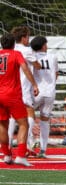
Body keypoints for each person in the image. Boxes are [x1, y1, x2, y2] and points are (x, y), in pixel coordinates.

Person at [0, 33, 39, 166]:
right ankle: (21, 155)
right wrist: (34, 84)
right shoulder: (16, 54)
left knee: (2, 124)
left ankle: (6, 155)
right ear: (13, 44)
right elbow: (25, 68)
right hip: (12, 94)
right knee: (24, 123)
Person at [8, 26, 41, 154]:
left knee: (11, 115)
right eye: (28, 36)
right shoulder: (27, 50)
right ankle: (26, 142)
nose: (29, 39)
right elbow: (37, 66)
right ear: (23, 38)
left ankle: (8, 143)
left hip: (10, 86)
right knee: (30, 112)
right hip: (23, 86)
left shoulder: (11, 49)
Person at [30, 36, 59, 158]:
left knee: (27, 116)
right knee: (45, 120)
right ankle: (43, 150)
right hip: (49, 92)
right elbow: (56, 74)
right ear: (42, 46)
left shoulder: (31, 57)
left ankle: (29, 144)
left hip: (35, 91)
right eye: (46, 44)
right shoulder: (53, 57)